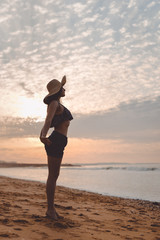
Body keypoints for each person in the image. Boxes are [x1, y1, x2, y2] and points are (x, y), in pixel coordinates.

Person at [40, 75, 73, 220]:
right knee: (53, 177)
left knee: (54, 176)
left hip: (59, 142)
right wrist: (42, 135)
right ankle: (50, 210)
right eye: (62, 87)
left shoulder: (58, 104)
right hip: (55, 142)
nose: (64, 89)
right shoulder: (53, 103)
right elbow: (48, 119)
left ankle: (51, 208)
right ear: (58, 90)